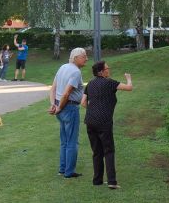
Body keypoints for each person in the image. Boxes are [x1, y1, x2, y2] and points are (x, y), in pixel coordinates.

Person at [81, 61, 133, 189]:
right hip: (104, 121)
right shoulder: (109, 83)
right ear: (101, 71)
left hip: (90, 121)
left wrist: (93, 110)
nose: (108, 70)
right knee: (108, 151)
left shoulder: (90, 84)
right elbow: (129, 88)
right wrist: (129, 78)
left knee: (97, 151)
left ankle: (97, 180)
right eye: (107, 68)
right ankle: (112, 182)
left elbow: (83, 102)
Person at [48, 47, 87, 179]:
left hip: (60, 106)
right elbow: (66, 93)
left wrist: (53, 104)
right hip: (69, 108)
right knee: (72, 142)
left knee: (64, 140)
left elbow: (53, 88)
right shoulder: (76, 72)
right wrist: (58, 107)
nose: (86, 58)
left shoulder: (63, 67)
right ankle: (69, 172)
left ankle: (62, 169)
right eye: (84, 56)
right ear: (76, 58)